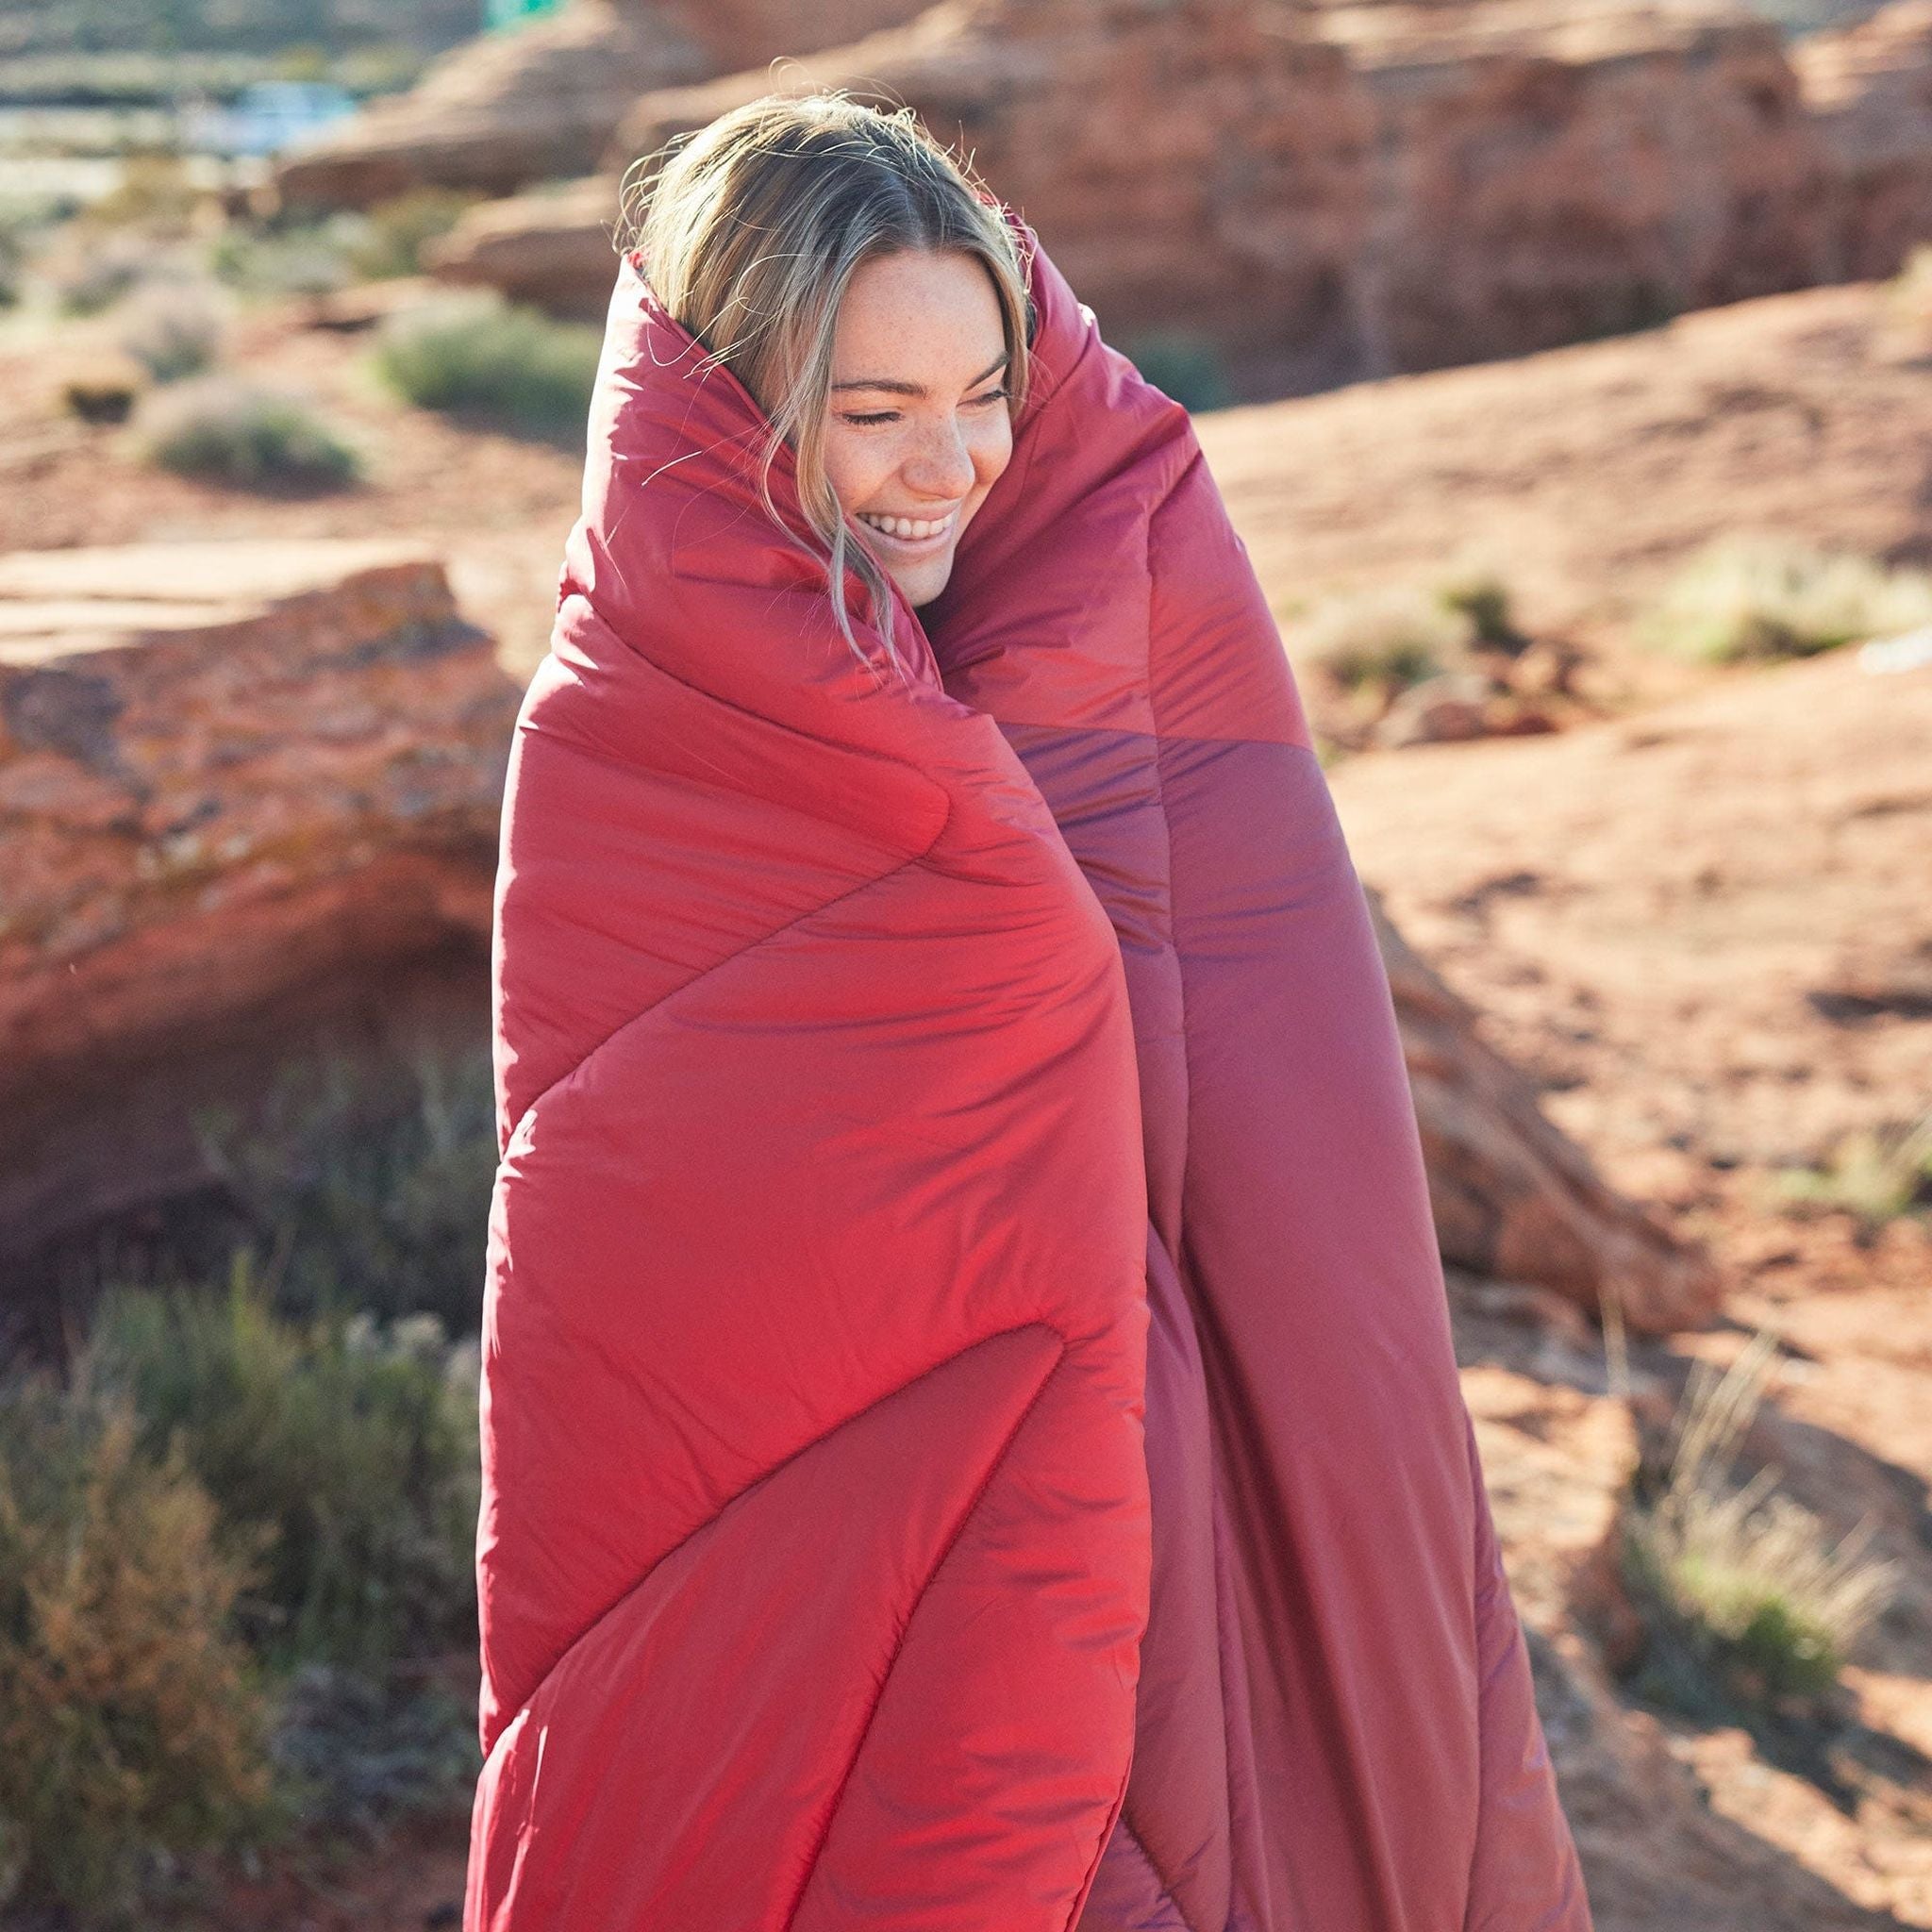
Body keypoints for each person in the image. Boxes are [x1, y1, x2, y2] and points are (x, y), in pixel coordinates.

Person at [466, 93, 1593, 1932]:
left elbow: (1261, 1015)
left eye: (985, 391)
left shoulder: (1053, 657)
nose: (952, 464)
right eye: (874, 412)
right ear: (732, 406)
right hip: (867, 1577)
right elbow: (678, 1292)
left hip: (1126, 1514)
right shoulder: (636, 744)